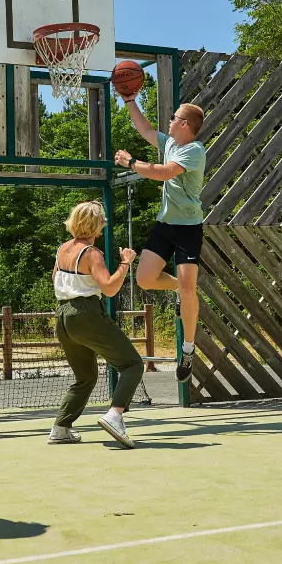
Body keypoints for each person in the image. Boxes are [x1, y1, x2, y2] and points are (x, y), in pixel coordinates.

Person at [114, 99, 206, 384]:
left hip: (188, 228)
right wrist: (129, 100)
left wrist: (131, 162)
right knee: (144, 279)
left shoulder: (194, 150)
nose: (169, 120)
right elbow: (145, 129)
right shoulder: (169, 143)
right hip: (165, 225)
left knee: (190, 291)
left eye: (173, 116)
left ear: (185, 124)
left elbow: (164, 173)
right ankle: (180, 286)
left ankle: (188, 350)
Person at [50, 201, 143, 448]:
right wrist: (126, 263)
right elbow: (110, 288)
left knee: (86, 376)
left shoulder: (62, 250)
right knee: (133, 364)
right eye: (102, 220)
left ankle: (61, 428)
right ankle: (115, 415)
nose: (104, 224)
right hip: (86, 314)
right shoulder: (92, 253)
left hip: (62, 316)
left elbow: (55, 279)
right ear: (96, 224)